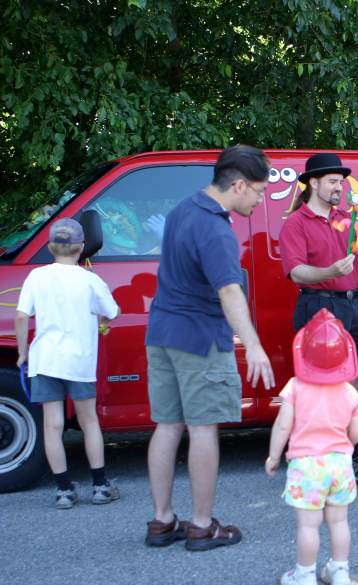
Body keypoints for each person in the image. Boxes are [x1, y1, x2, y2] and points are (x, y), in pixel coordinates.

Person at [144, 145, 276, 551]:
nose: (259, 198)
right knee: (203, 429)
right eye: (257, 190)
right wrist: (253, 345)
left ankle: (163, 521)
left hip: (162, 333)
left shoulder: (183, 210)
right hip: (200, 339)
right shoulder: (217, 230)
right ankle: (202, 526)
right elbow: (230, 292)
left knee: (167, 426)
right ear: (237, 185)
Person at [279, 152, 358, 488]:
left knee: (349, 384)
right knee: (316, 387)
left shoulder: (345, 218)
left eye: (341, 182)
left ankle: (346, 456)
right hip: (319, 307)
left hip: (351, 306)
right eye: (333, 181)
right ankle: (307, 457)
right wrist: (329, 271)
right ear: (313, 182)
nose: (339, 187)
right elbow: (295, 271)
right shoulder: (296, 223)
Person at [15, 218, 120, 508]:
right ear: (82, 248)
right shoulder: (90, 279)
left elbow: (22, 316)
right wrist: (102, 321)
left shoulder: (37, 276)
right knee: (89, 422)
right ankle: (99, 486)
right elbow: (112, 311)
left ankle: (63, 490)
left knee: (52, 425)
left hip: (45, 360)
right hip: (79, 361)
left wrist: (23, 353)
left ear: (50, 247)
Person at [266, 309, 358, 585]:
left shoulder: (295, 387)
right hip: (339, 464)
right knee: (338, 522)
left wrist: (274, 456)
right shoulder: (349, 391)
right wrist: (345, 445)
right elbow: (357, 431)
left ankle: (305, 574)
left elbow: (283, 426)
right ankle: (340, 571)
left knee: (308, 525)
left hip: (306, 465)